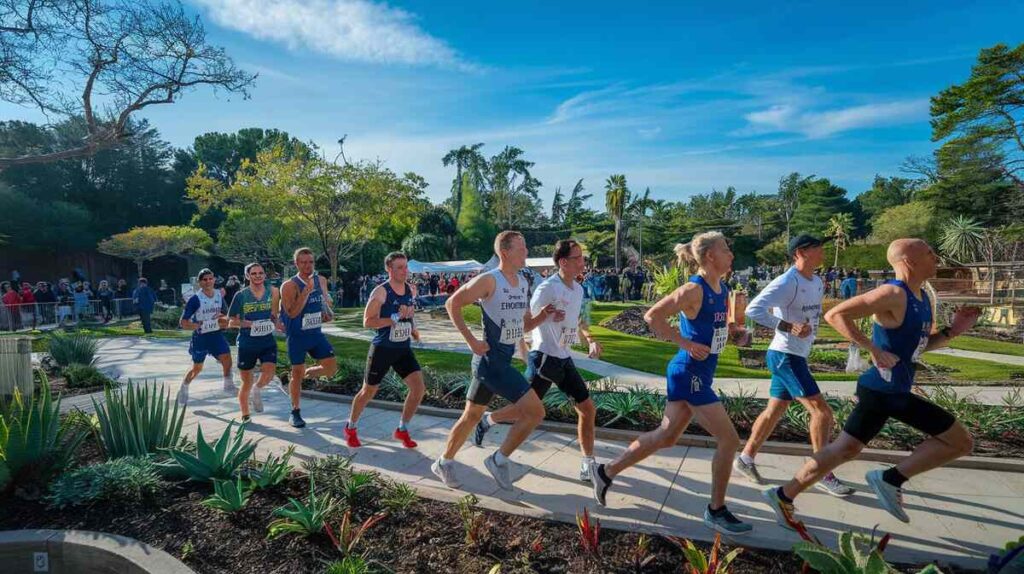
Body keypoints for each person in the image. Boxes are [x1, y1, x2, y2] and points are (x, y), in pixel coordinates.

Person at [763, 238, 980, 527]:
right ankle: (890, 478)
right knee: (961, 441)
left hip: (885, 389)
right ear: (909, 262)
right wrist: (873, 349)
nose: (936, 258)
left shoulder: (922, 297)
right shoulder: (893, 293)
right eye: (929, 253)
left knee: (844, 450)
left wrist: (953, 331)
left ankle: (782, 495)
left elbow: (916, 347)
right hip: (886, 391)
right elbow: (835, 314)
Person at [588, 232, 753, 535]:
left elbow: (718, 326)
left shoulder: (722, 287)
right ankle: (716, 511)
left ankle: (605, 472)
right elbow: (652, 317)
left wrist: (734, 333)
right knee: (729, 440)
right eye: (726, 250)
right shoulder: (693, 289)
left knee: (666, 436)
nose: (731, 254)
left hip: (699, 373)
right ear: (710, 257)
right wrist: (685, 343)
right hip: (688, 372)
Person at [431, 231, 558, 490]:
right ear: (505, 252)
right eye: (521, 249)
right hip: (491, 363)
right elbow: (452, 303)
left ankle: (443, 462)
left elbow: (522, 326)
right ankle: (498, 461)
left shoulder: (522, 282)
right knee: (535, 412)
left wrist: (542, 316)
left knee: (471, 416)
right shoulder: (489, 280)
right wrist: (471, 341)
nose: (526, 253)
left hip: (500, 362)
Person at [473, 239, 604, 481]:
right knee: (526, 411)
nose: (582, 262)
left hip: (564, 358)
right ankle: (489, 421)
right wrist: (547, 316)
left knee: (587, 409)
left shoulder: (578, 289)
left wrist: (590, 339)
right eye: (578, 258)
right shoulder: (548, 288)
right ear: (563, 262)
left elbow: (579, 320)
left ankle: (588, 463)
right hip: (544, 357)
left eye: (582, 258)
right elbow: (526, 319)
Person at [735, 235, 853, 497]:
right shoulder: (787, 282)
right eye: (818, 247)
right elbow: (754, 309)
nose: (823, 251)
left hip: (796, 354)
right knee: (822, 412)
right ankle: (821, 471)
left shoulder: (817, 281)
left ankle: (745, 458)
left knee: (774, 411)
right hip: (784, 355)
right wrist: (789, 326)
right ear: (801, 252)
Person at [345, 252, 426, 448]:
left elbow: (408, 313)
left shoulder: (410, 289)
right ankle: (351, 427)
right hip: (383, 348)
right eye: (399, 267)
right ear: (389, 269)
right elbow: (367, 321)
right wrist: (392, 319)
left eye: (406, 267)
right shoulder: (381, 292)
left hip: (402, 349)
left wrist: (413, 329)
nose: (404, 271)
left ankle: (402, 429)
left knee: (418, 389)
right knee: (368, 391)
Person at [279, 247, 338, 428]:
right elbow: (292, 313)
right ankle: (295, 411)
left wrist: (327, 313)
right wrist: (306, 292)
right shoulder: (289, 285)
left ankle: (303, 374)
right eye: (303, 262)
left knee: (331, 369)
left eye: (310, 262)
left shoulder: (321, 280)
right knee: (296, 373)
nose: (307, 266)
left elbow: (325, 304)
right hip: (297, 336)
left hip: (315, 333)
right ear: (296, 264)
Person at [227, 263, 282, 422]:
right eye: (254, 273)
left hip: (267, 341)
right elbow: (232, 321)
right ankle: (245, 415)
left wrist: (277, 323)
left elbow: (274, 315)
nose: (258, 276)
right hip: (247, 343)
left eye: (260, 273)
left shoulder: (272, 293)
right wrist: (250, 324)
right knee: (246, 381)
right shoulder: (241, 295)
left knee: (270, 372)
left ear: (264, 275)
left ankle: (257, 390)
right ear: (247, 276)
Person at [176, 268, 235, 406]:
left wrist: (223, 318)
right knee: (197, 368)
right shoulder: (195, 299)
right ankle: (184, 386)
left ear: (214, 280)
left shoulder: (219, 296)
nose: (208, 282)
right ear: (199, 282)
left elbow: (227, 315)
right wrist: (199, 325)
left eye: (210, 279)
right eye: (204, 280)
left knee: (227, 357)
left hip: (215, 335)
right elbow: (183, 323)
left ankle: (228, 384)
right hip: (201, 337)